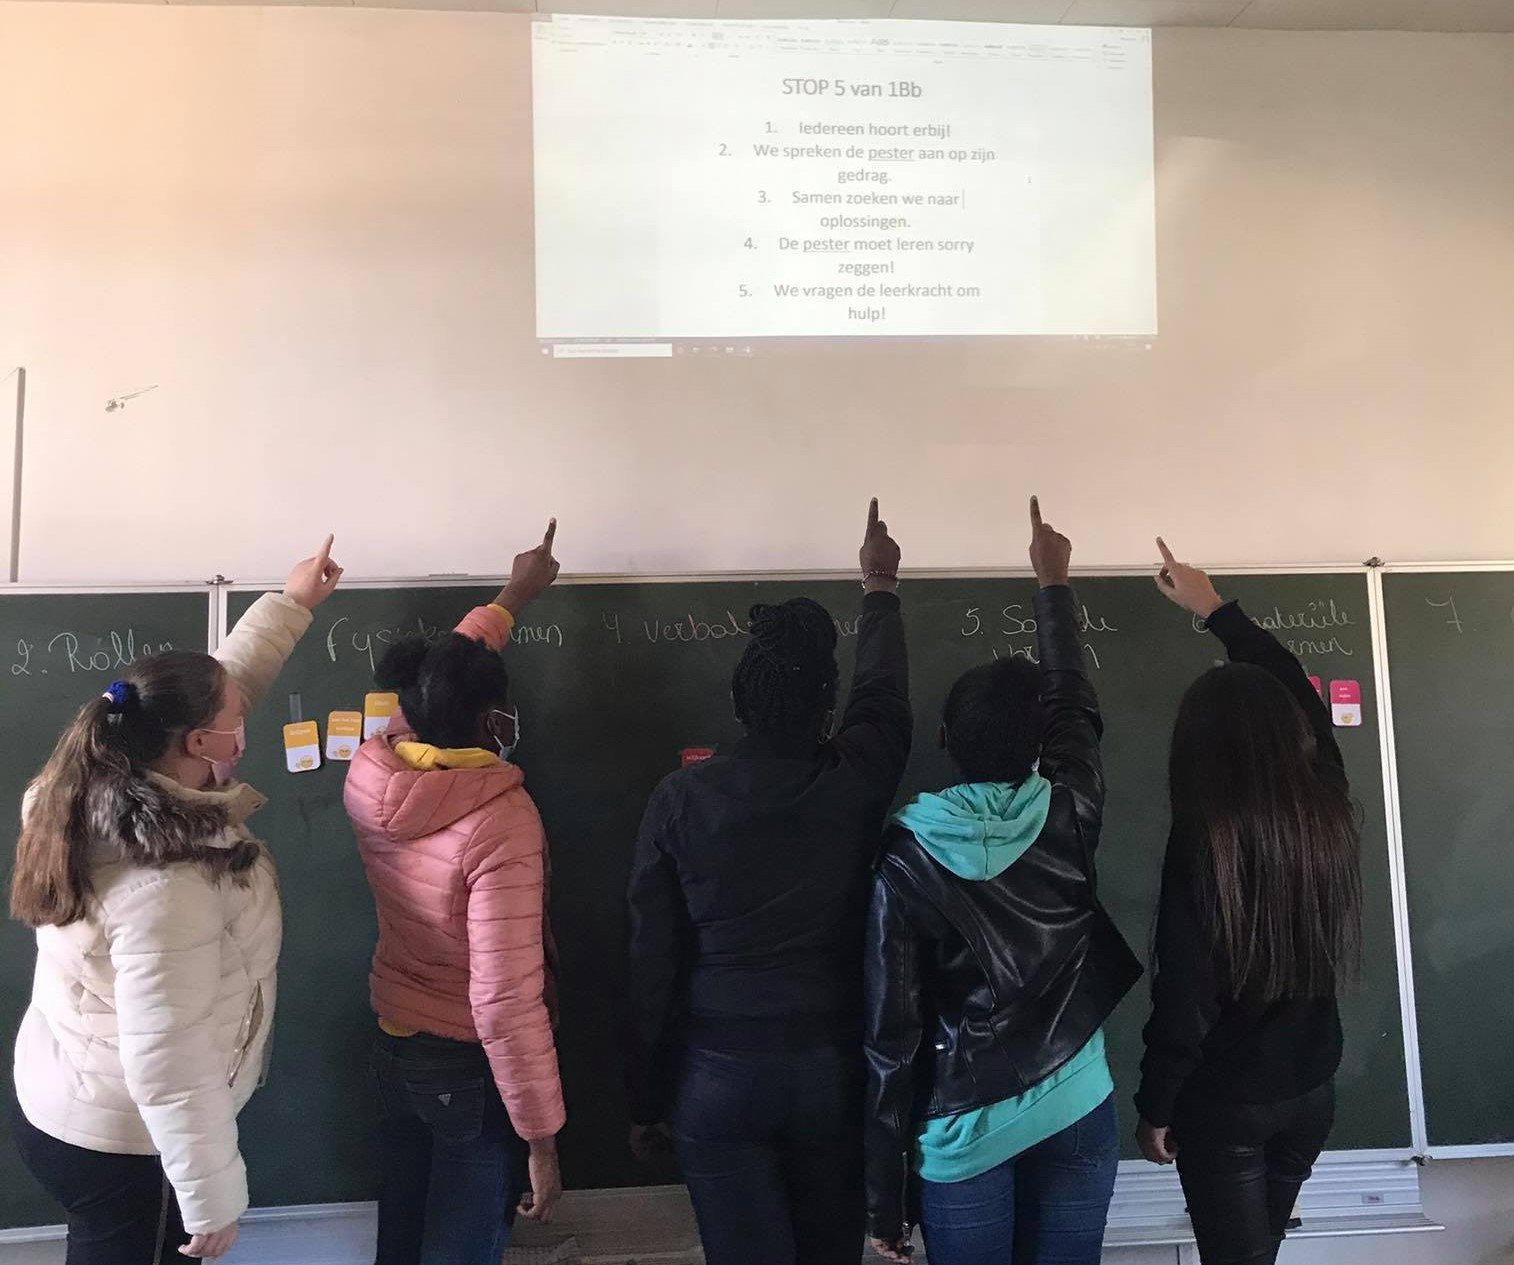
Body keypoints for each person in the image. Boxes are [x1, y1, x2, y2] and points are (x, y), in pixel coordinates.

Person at [9, 538, 343, 1264]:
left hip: (71, 1094)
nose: (243, 722)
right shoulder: (169, 886)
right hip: (130, 1142)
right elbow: (169, 1058)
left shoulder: (82, 784)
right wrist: (211, 1199)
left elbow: (215, 688)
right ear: (198, 742)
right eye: (234, 719)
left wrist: (292, 604)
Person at [624, 499, 911, 1265]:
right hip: (832, 1072)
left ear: (736, 701)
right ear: (826, 705)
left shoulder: (678, 800)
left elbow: (651, 962)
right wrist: (879, 587)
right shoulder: (855, 779)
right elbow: (882, 698)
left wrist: (646, 1097)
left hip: (717, 1076)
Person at [863, 499, 1142, 1265]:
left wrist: (884, 1199)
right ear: (1040, 744)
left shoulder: (908, 856)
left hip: (966, 1128)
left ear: (944, 738)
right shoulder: (1070, 808)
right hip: (1077, 1103)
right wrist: (1053, 580)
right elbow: (1074, 704)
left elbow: (892, 1040)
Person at [342, 522, 566, 1265]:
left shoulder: (372, 773)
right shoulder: (502, 819)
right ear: (492, 718)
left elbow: (438, 681)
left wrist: (512, 596)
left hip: (395, 1041)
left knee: (402, 1240)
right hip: (467, 1063)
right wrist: (541, 1138)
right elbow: (503, 998)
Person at [1135, 539, 1362, 1265]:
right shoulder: (1326, 804)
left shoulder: (1204, 839)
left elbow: (1186, 992)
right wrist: (1213, 608)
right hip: (1311, 1092)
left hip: (1229, 1103)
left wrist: (1156, 1106)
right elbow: (1298, 693)